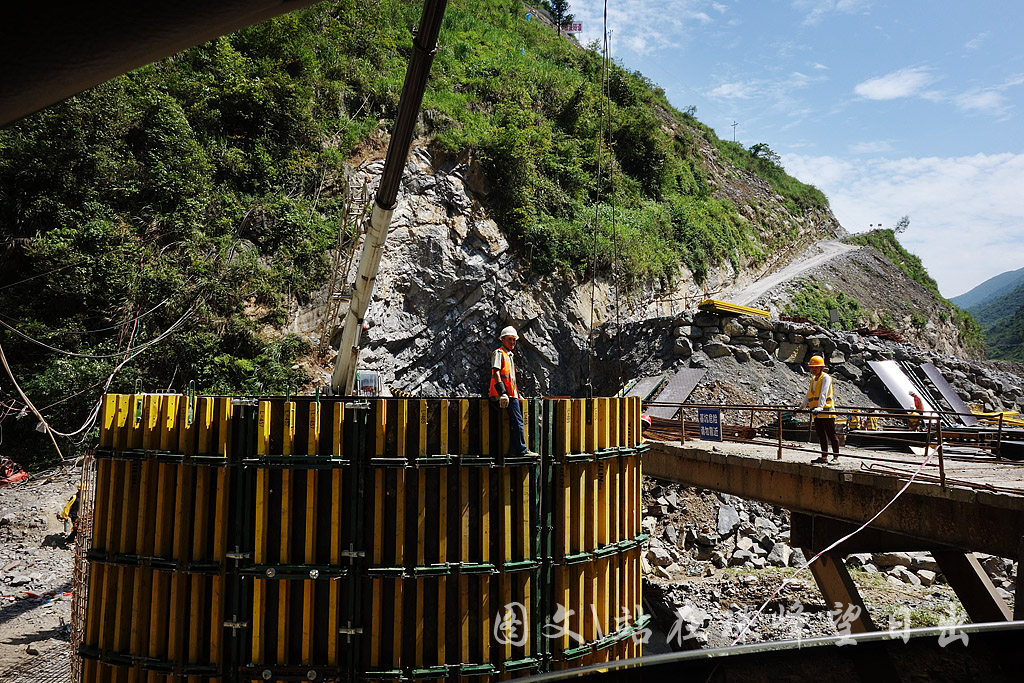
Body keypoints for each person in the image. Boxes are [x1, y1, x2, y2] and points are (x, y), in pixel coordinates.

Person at [489, 326, 539, 457]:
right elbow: (496, 373)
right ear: (502, 339)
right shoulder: (499, 353)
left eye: (514, 340)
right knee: (517, 422)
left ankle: (513, 450)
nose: (512, 342)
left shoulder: (509, 356)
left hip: (511, 395)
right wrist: (503, 393)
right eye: (510, 339)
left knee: (513, 422)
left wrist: (517, 394)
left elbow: (511, 380)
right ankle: (522, 451)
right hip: (505, 395)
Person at [800, 354, 840, 464]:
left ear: (821, 368)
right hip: (817, 413)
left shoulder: (826, 378)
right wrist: (801, 407)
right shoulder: (813, 379)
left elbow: (824, 392)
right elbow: (808, 395)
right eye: (812, 367)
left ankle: (836, 458)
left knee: (832, 434)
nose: (813, 370)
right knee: (821, 435)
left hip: (826, 411)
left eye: (816, 367)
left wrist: (820, 407)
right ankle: (824, 457)